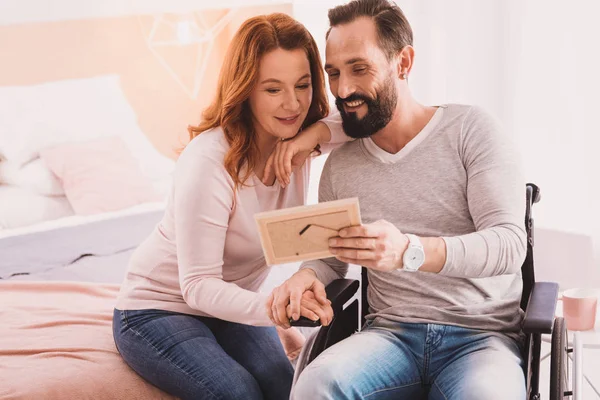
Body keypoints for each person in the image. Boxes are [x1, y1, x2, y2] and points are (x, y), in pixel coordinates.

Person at [268, 1, 529, 399]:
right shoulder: (341, 165)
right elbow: (329, 258)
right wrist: (307, 276)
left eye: (359, 68)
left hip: (481, 337)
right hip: (389, 338)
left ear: (403, 63)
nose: (342, 90)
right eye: (333, 73)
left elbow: (509, 244)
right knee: (315, 386)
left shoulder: (470, 131)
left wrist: (410, 250)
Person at [112, 12, 344, 400]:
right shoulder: (209, 162)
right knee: (236, 392)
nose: (293, 104)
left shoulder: (299, 140)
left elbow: (360, 122)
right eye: (272, 90)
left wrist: (313, 136)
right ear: (245, 90)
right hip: (158, 308)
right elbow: (198, 287)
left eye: (302, 85)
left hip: (228, 308)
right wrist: (275, 307)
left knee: (286, 386)